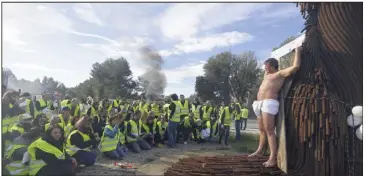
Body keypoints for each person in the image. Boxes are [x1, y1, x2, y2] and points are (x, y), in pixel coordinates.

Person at [249, 46, 302, 167]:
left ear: (273, 66)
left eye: (267, 67)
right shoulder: (266, 75)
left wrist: (297, 51)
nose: (265, 69)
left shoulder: (280, 74)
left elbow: (295, 67)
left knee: (269, 130)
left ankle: (273, 158)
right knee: (261, 130)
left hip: (269, 103)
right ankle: (259, 151)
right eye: (265, 67)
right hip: (259, 103)